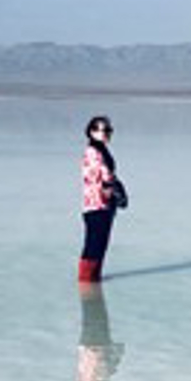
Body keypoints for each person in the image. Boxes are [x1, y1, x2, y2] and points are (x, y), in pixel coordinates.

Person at [78, 115, 128, 282]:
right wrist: (116, 188)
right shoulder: (92, 152)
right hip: (96, 204)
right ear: (92, 132)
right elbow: (104, 175)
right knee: (94, 245)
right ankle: (86, 282)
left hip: (105, 204)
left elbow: (108, 176)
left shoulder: (101, 150)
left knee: (101, 245)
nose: (107, 134)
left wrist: (117, 192)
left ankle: (94, 282)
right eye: (103, 130)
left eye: (109, 130)